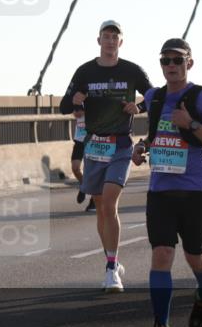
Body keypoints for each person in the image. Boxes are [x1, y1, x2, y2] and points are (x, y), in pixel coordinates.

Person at [132, 38, 202, 327]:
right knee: (161, 256)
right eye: (165, 60)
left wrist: (192, 123)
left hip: (194, 191)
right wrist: (142, 147)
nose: (171, 65)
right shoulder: (154, 96)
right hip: (160, 190)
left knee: (195, 257)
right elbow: (156, 135)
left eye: (177, 60)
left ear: (189, 63)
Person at [59, 20, 152, 292]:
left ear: (120, 42)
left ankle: (111, 269)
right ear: (98, 41)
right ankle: (112, 257)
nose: (110, 41)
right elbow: (65, 104)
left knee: (109, 203)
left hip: (121, 145)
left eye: (115, 36)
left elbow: (155, 97)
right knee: (100, 207)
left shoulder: (132, 70)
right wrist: (74, 101)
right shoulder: (85, 71)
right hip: (94, 146)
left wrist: (140, 106)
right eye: (106, 36)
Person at [70, 114, 97, 212]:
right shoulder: (77, 100)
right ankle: (83, 185)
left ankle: (93, 201)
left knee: (93, 173)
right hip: (79, 141)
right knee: (75, 168)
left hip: (92, 141)